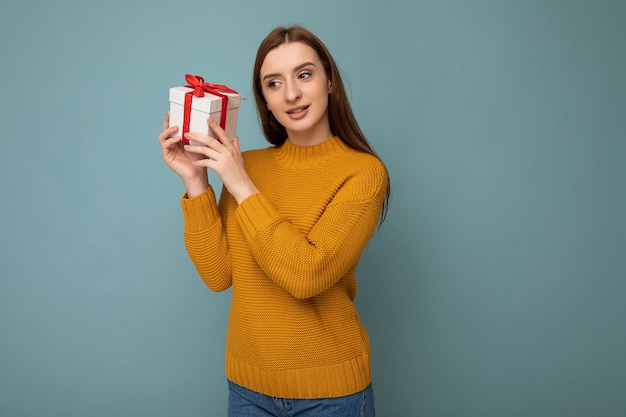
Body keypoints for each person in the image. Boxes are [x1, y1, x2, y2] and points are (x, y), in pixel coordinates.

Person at [158, 25, 390, 417]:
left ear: (330, 82)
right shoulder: (248, 165)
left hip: (331, 395)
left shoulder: (363, 173)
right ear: (264, 100)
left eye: (304, 74)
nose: (292, 94)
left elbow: (306, 276)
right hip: (247, 390)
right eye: (273, 83)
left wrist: (241, 184)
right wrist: (197, 181)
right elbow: (218, 275)